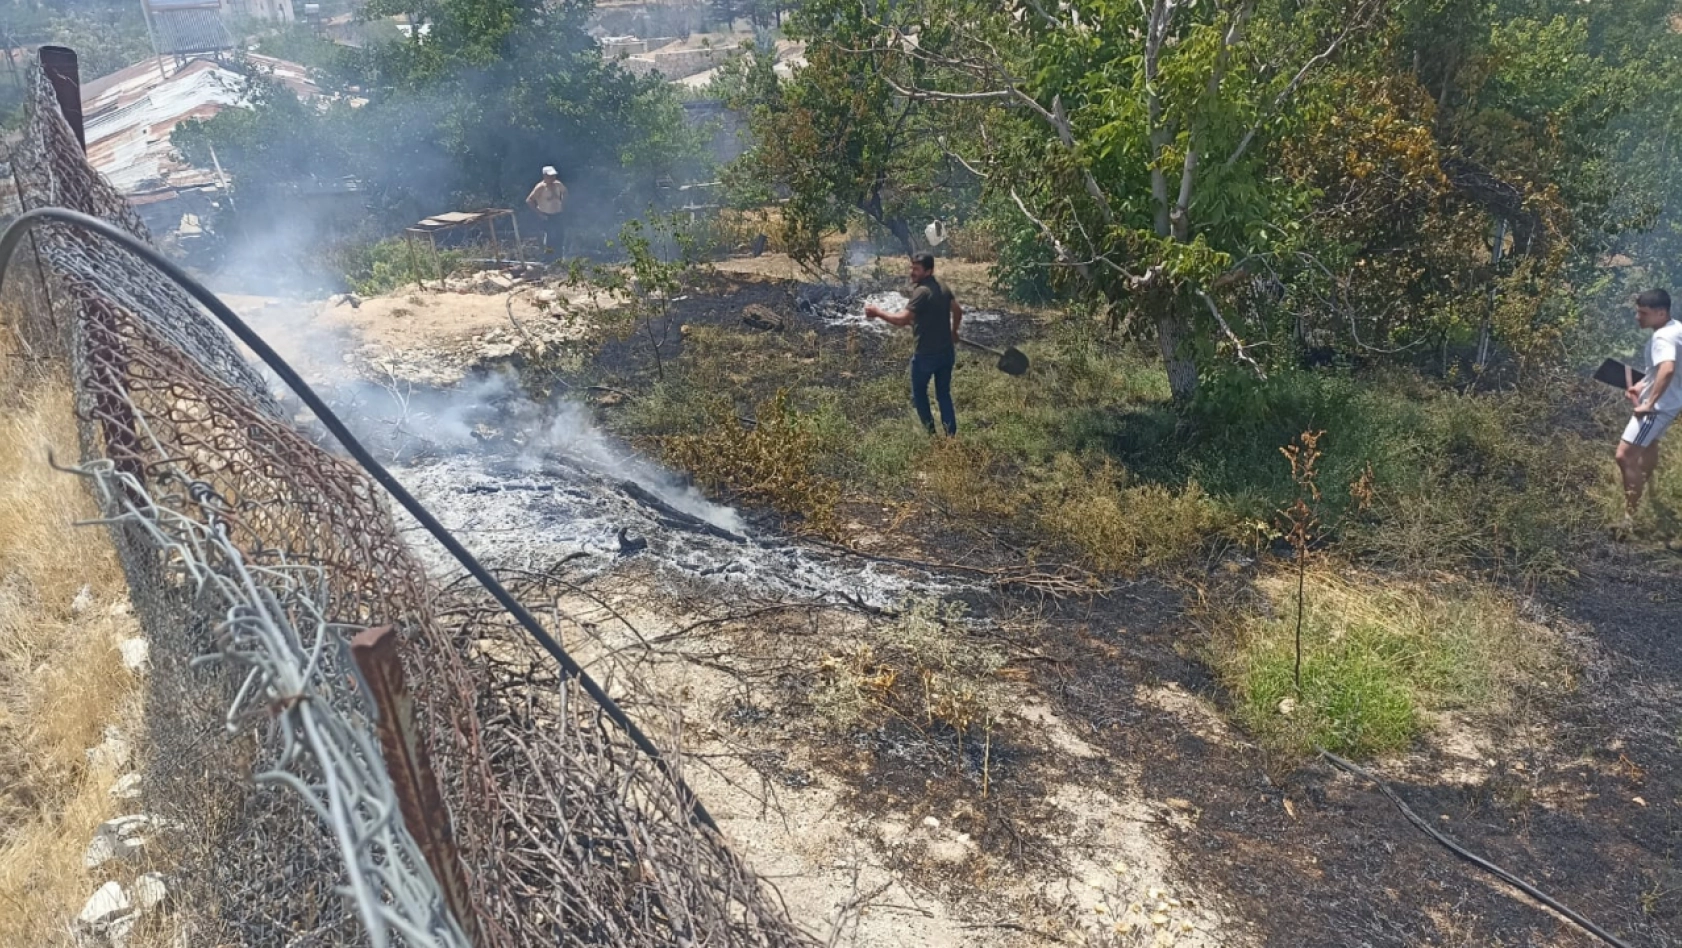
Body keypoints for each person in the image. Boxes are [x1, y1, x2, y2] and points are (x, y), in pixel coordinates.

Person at [866, 252, 964, 436]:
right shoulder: (942, 286)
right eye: (912, 267)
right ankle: (951, 437)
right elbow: (957, 311)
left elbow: (902, 319)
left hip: (926, 355)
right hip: (946, 352)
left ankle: (931, 435)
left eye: (917, 269)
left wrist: (877, 312)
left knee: (919, 394)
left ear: (929, 271)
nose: (912, 272)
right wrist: (954, 332)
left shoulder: (922, 292)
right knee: (943, 394)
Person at [1616, 288, 1681, 531]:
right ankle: (1644, 483)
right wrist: (1642, 385)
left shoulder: (1662, 338)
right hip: (1670, 401)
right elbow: (1661, 371)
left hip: (1657, 409)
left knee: (1624, 456)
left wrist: (1649, 403)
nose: (1638, 317)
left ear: (1661, 313)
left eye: (1643, 313)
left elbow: (1668, 369)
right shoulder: (1676, 328)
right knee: (1650, 443)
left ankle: (1630, 518)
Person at [525, 165, 567, 257]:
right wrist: (539, 214)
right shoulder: (540, 187)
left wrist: (563, 204)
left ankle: (559, 257)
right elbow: (529, 200)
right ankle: (548, 258)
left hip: (558, 214)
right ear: (545, 176)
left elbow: (565, 192)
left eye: (553, 176)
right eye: (550, 176)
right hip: (547, 216)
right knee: (550, 238)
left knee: (560, 236)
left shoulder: (558, 184)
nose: (553, 178)